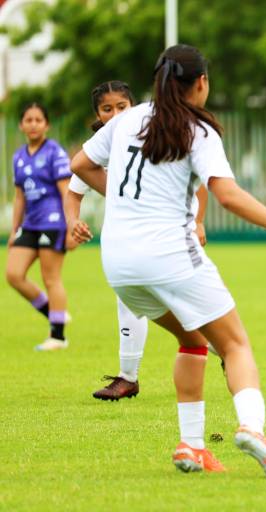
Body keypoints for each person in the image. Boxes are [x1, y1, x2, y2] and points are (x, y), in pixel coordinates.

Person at [71, 44, 266, 474]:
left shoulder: (126, 120)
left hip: (118, 263)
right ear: (202, 83)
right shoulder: (197, 129)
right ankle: (252, 428)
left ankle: (192, 446)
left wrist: (123, 202)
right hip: (170, 254)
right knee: (234, 343)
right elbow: (227, 195)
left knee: (193, 340)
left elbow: (79, 163)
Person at [64, 80, 212, 401]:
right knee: (131, 298)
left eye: (122, 107)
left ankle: (225, 346)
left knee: (184, 296)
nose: (115, 113)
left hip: (171, 229)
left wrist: (198, 221)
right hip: (131, 237)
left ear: (134, 107)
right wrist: (73, 221)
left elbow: (200, 179)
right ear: (98, 114)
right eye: (107, 109)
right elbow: (74, 189)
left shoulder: (155, 132)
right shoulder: (102, 146)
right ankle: (128, 376)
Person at [6, 103, 72, 351]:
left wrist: (71, 224)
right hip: (30, 224)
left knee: (50, 277)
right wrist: (14, 230)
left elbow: (66, 191)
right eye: (28, 120)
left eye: (38, 120)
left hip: (53, 222)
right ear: (22, 125)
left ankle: (58, 336)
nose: (33, 124)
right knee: (13, 275)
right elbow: (20, 196)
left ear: (47, 125)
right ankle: (56, 312)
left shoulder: (55, 152)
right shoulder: (19, 156)